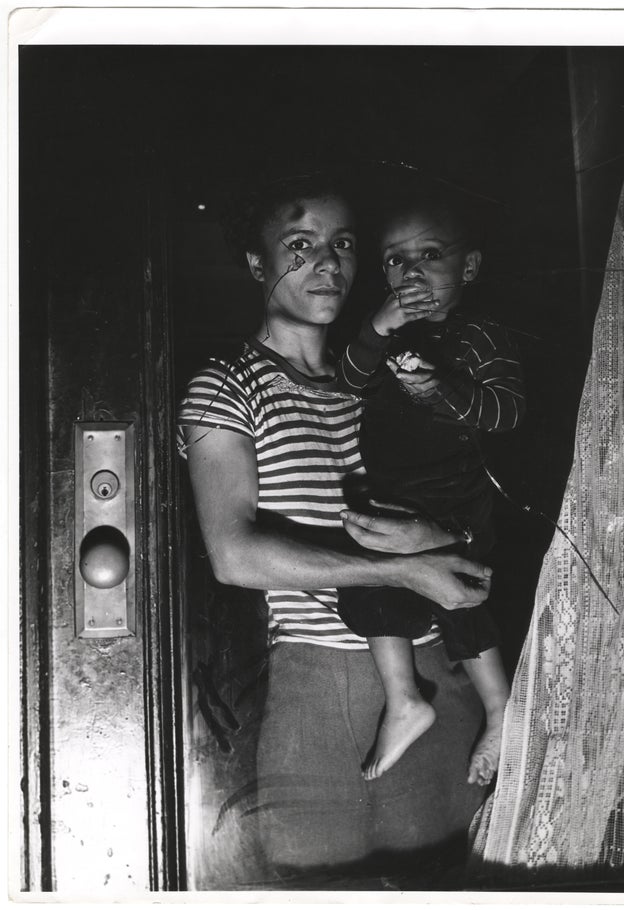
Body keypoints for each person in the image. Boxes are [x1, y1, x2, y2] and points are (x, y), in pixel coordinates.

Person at [177, 174, 494, 883]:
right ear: (258, 265)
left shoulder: (385, 375)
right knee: (311, 882)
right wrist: (399, 569)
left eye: (344, 244)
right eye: (300, 245)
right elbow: (235, 555)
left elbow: (473, 499)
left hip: (439, 664)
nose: (328, 263)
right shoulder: (229, 382)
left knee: (443, 882)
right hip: (318, 676)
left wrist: (434, 543)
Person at [336, 178, 526, 782]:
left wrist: (447, 389)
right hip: (393, 492)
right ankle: (404, 702)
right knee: (369, 578)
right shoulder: (388, 332)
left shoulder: (480, 335)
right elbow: (350, 379)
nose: (411, 272)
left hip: (457, 497)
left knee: (460, 590)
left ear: (468, 267)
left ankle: (499, 709)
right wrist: (376, 327)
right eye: (395, 259)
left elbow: (508, 412)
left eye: (430, 254)